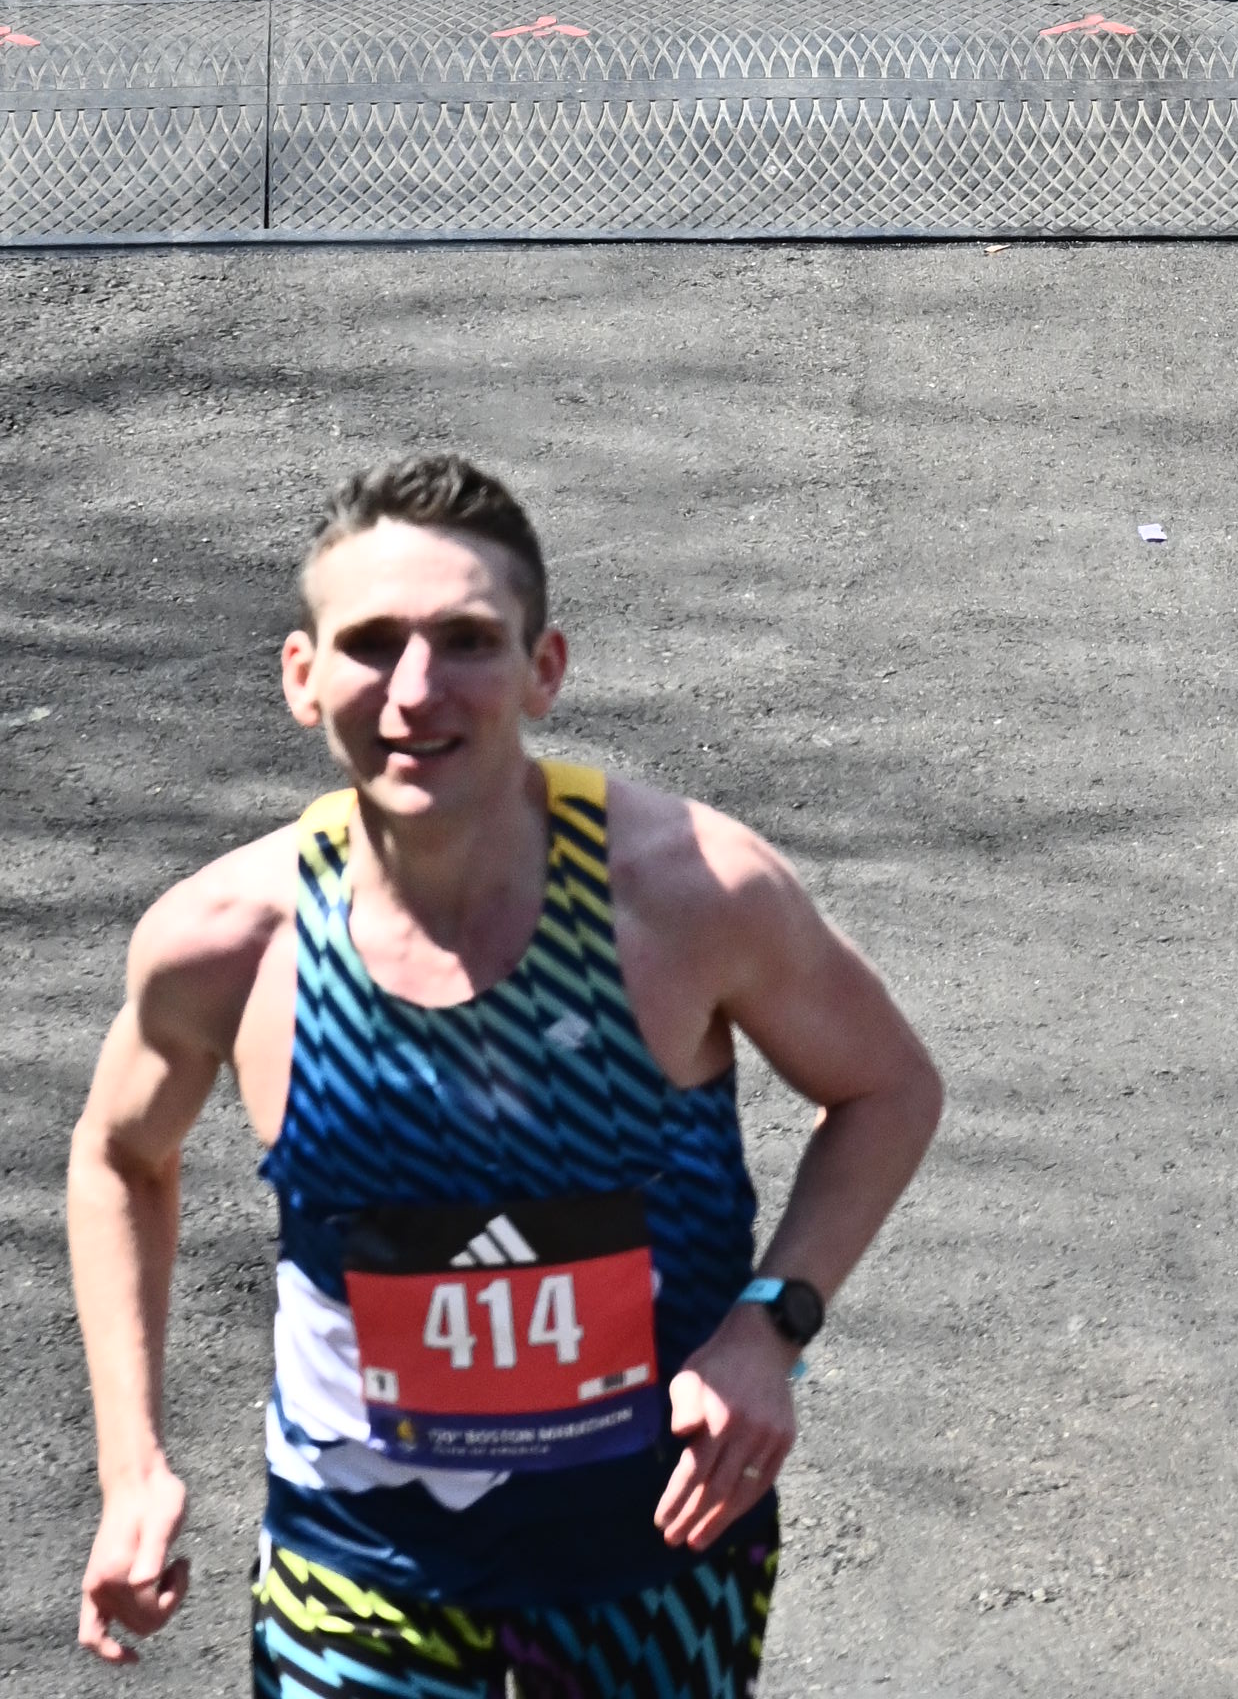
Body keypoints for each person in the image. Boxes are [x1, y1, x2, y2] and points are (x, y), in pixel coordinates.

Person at [68, 450, 942, 1690]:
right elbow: (117, 1155)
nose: (416, 688)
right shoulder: (229, 940)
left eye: (467, 640)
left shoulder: (687, 894)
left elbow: (886, 1088)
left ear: (544, 669)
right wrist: (133, 1470)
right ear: (302, 677)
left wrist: (770, 1324)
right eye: (372, 642)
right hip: (356, 1568)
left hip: (654, 1553)